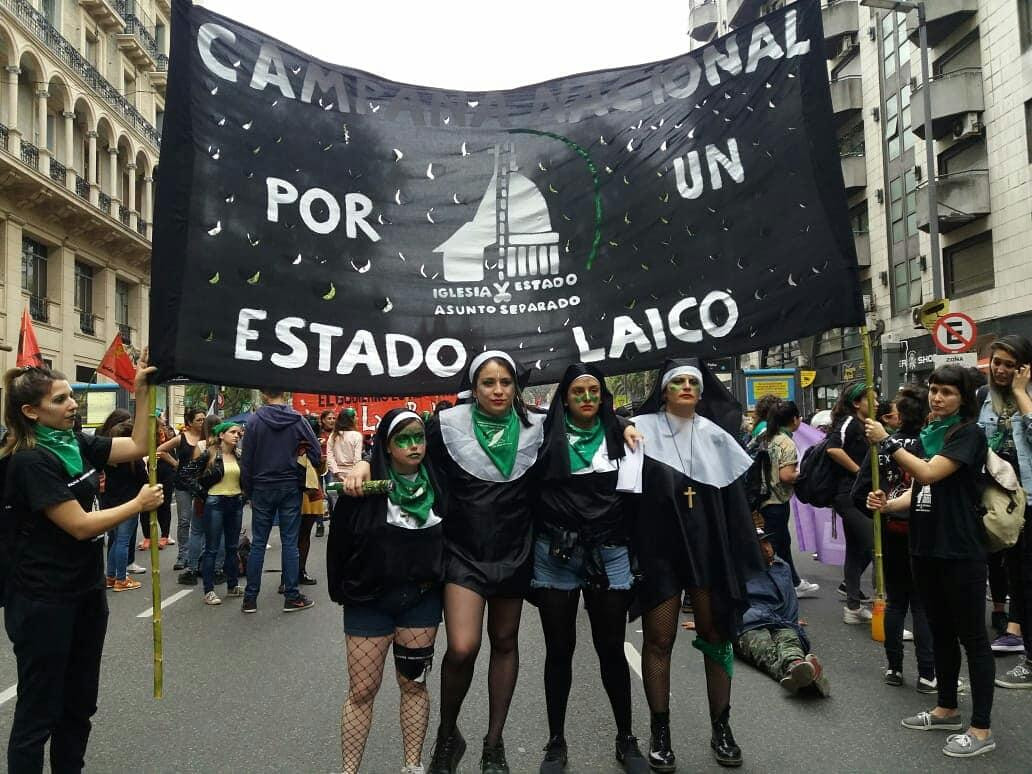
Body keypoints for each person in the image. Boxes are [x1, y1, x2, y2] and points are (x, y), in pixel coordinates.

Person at [1, 356, 164, 772]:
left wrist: (143, 390)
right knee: (39, 712)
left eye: (72, 395)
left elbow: (140, 445)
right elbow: (79, 525)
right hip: (42, 599)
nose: (73, 404)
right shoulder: (30, 460)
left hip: (86, 591)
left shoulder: (74, 441)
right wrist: (137, 504)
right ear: (31, 411)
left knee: (79, 705)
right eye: (61, 400)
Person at [629, 357, 765, 769]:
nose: (686, 387)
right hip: (660, 551)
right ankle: (661, 731)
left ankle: (722, 727)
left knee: (716, 633)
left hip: (708, 550)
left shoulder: (717, 437)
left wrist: (756, 540)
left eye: (693, 381)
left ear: (702, 391)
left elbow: (736, 505)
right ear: (664, 389)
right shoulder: (641, 429)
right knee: (659, 639)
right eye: (678, 382)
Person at [866, 365, 995, 759]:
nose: (938, 398)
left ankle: (982, 729)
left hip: (960, 551)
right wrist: (888, 504)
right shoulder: (928, 436)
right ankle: (947, 709)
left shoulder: (968, 435)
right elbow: (918, 489)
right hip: (924, 549)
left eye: (947, 393)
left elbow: (929, 472)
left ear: (964, 399)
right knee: (939, 633)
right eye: (935, 390)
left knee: (972, 638)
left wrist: (887, 441)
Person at [531, 364, 648, 773]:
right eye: (577, 391)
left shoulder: (623, 435)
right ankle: (556, 742)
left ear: (603, 396)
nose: (585, 398)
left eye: (593, 391)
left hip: (610, 552)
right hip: (556, 554)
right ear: (564, 397)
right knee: (559, 651)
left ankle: (626, 739)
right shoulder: (542, 434)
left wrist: (624, 421)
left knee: (611, 648)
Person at [328, 409, 445, 774]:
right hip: (369, 603)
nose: (414, 446)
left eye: (419, 437)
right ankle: (349, 770)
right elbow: (339, 548)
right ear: (386, 446)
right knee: (362, 690)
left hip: (421, 602)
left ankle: (413, 765)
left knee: (413, 686)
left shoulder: (439, 485)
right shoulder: (362, 489)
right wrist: (346, 593)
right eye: (403, 439)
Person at [852, 386, 936, 691]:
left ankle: (894, 669)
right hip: (926, 533)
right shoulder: (933, 444)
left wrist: (879, 506)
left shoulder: (882, 446)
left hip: (890, 532)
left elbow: (859, 492)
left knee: (897, 601)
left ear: (898, 415)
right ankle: (927, 673)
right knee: (923, 605)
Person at [975, 335, 1032, 686]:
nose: (1001, 369)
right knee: (1016, 579)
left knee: (1028, 579)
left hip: (1031, 499)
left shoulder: (1026, 396)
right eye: (997, 362)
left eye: (1009, 364)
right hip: (999, 501)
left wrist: (1022, 393)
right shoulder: (984, 398)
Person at [240, 388, 321, 613]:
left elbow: (246, 459)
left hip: (262, 486)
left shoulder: (255, 421)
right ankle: (292, 595)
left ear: (264, 395)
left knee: (258, 543)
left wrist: (249, 491)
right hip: (289, 486)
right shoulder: (298, 419)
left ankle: (250, 598)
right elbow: (315, 451)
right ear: (284, 393)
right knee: (290, 542)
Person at [734, 515, 829, 698]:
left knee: (789, 640)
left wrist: (792, 623)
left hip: (780, 621)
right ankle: (807, 676)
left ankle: (797, 669)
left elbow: (789, 601)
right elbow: (726, 605)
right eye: (760, 545)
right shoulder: (737, 571)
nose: (767, 548)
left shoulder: (781, 567)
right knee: (763, 649)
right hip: (750, 624)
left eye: (767, 543)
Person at [758, 400, 819, 598]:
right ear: (794, 420)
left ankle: (793, 582)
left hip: (762, 499)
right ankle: (771, 588)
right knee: (774, 545)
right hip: (776, 500)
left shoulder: (765, 436)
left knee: (781, 542)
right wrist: (803, 474)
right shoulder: (786, 442)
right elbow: (786, 475)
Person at [826, 381, 875, 623]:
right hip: (847, 496)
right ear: (857, 403)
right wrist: (860, 472)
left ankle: (853, 607)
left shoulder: (867, 425)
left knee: (856, 551)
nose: (875, 403)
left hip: (858, 496)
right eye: (871, 399)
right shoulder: (848, 422)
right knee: (876, 545)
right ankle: (885, 608)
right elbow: (833, 450)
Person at [195, 421, 246, 606]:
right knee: (212, 548)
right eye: (232, 432)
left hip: (235, 502)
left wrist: (245, 494)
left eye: (239, 434)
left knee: (232, 547)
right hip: (215, 502)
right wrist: (203, 494)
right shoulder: (209, 454)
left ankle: (232, 585)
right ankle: (208, 590)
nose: (236, 436)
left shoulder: (239, 455)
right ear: (221, 435)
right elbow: (185, 475)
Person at [97, 412, 145, 593]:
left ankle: (110, 576)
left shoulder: (103, 453)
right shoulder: (132, 457)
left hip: (109, 501)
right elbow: (143, 478)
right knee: (123, 541)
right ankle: (121, 579)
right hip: (129, 502)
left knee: (115, 540)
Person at [159, 407, 205, 571]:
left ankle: (199, 554)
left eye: (203, 419)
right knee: (184, 521)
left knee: (201, 521)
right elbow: (160, 450)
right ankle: (182, 555)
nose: (202, 422)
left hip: (201, 485)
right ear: (190, 422)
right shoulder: (181, 438)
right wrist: (175, 463)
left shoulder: (207, 438)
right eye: (199, 420)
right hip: (182, 484)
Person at [142, 421, 176, 549]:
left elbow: (169, 456)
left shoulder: (166, 439)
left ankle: (165, 535)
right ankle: (147, 537)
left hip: (165, 474)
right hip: (147, 473)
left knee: (164, 505)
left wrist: (169, 460)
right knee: (145, 507)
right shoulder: (145, 438)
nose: (162, 428)